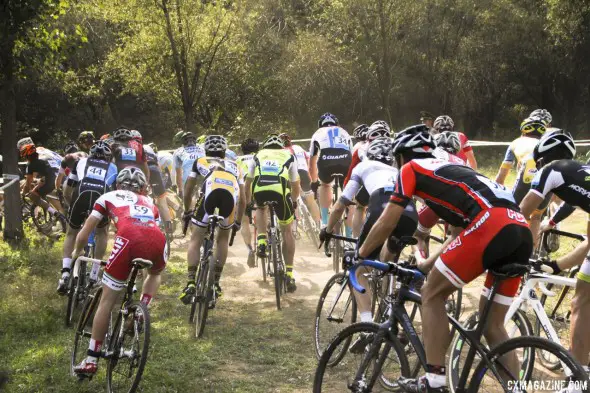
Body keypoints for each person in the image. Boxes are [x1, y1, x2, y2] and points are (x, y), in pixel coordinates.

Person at [358, 125, 531, 392]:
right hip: (519, 228)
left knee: (432, 294)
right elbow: (457, 237)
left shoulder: (411, 168)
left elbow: (388, 220)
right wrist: (426, 265)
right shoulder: (457, 173)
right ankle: (515, 388)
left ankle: (434, 379)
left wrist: (360, 255)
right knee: (493, 326)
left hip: (492, 224)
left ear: (401, 156)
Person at [72, 167, 167, 376]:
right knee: (155, 273)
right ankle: (142, 308)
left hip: (128, 240)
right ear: (143, 188)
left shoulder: (107, 196)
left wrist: (76, 253)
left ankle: (91, 360)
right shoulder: (150, 202)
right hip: (157, 240)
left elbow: (85, 232)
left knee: (106, 302)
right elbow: (150, 228)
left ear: (118, 185)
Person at [320, 137, 417, 325]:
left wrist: (328, 229)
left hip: (383, 205)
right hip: (410, 212)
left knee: (359, 265)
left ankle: (367, 326)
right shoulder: (398, 170)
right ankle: (391, 313)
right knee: (389, 264)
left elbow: (340, 206)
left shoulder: (363, 167)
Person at [518, 131, 590, 382]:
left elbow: (521, 213)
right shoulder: (580, 174)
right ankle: (580, 375)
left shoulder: (549, 170)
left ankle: (578, 380)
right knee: (582, 299)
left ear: (542, 159)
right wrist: (556, 265)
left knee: (582, 304)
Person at [179, 135, 245, 306]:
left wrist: (187, 210)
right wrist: (237, 221)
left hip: (210, 194)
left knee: (196, 238)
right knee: (223, 238)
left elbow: (188, 190)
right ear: (225, 151)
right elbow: (244, 199)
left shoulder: (200, 160)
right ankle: (215, 282)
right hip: (230, 198)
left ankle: (191, 281)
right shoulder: (237, 166)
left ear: (205, 150)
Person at [57, 141, 117, 294]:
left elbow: (67, 188)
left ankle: (65, 273)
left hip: (81, 193)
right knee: (101, 233)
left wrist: (71, 206)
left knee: (71, 233)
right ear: (108, 157)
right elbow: (114, 194)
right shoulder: (114, 167)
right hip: (101, 195)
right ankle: (94, 274)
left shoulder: (80, 161)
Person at [245, 135, 301, 292]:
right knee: (287, 231)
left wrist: (249, 204)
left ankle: (262, 241)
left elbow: (248, 183)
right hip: (281, 191)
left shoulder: (258, 155)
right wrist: (294, 201)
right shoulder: (289, 155)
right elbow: (296, 185)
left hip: (260, 189)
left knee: (261, 208)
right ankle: (289, 273)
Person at [494, 116, 548, 246]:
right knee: (536, 217)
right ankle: (530, 256)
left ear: (523, 131)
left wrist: (495, 191)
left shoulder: (516, 142)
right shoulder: (547, 144)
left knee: (514, 215)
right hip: (547, 179)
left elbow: (502, 175)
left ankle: (509, 249)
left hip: (526, 176)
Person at [309, 113, 353, 233]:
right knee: (350, 194)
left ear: (320, 125)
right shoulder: (344, 132)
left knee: (325, 185)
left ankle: (324, 221)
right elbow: (352, 155)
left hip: (326, 161)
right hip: (345, 161)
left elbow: (312, 162)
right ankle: (350, 236)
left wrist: (313, 182)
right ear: (337, 124)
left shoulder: (317, 133)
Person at [280, 132, 321, 226]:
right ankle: (319, 224)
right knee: (311, 200)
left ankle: (295, 225)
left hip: (291, 175)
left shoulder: (280, 152)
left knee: (291, 199)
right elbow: (308, 161)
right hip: (304, 173)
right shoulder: (298, 147)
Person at [18, 139, 65, 219]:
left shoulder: (31, 165)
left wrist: (23, 193)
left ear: (26, 156)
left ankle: (57, 214)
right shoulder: (44, 152)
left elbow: (27, 184)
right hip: (64, 173)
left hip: (53, 179)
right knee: (40, 183)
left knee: (33, 195)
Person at [236, 138, 260, 267]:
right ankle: (265, 241)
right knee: (263, 213)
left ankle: (250, 249)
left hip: (245, 188)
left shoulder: (237, 160)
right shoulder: (259, 157)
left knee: (245, 221)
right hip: (260, 186)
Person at [144, 141, 173, 231]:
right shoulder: (148, 148)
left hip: (143, 170)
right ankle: (169, 228)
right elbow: (158, 165)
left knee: (142, 199)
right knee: (162, 202)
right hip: (155, 170)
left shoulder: (133, 148)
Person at [173, 132, 205, 196]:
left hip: (189, 176)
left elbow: (178, 174)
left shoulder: (178, 151)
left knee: (189, 201)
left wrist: (180, 190)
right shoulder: (202, 148)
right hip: (203, 173)